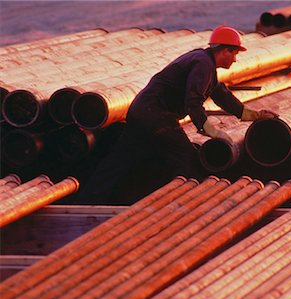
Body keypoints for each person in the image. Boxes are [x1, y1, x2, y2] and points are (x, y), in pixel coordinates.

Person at [75, 26, 277, 205]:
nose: (235, 59)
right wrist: (211, 131)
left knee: (121, 160)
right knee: (185, 157)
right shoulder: (202, 64)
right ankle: (191, 205)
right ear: (225, 50)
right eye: (234, 54)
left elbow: (222, 97)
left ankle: (87, 200)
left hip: (142, 112)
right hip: (157, 115)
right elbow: (193, 101)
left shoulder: (205, 64)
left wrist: (255, 115)